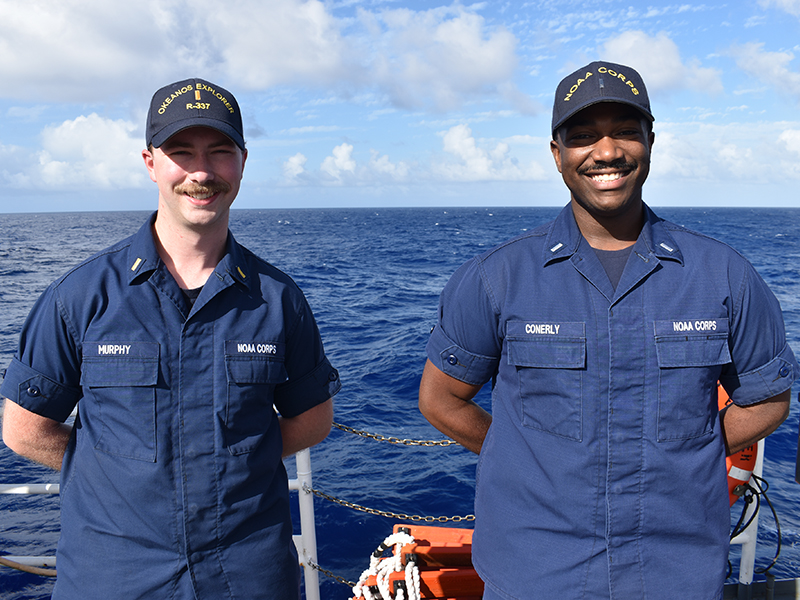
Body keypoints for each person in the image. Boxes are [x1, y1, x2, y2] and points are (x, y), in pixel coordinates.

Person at [419, 61, 798, 599]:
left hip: (676, 571)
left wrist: (687, 453)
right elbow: (441, 400)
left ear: (649, 142)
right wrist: (529, 458)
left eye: (624, 130)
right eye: (582, 136)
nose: (607, 151)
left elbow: (767, 399)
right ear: (557, 154)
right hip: (537, 572)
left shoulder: (725, 274)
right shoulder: (495, 278)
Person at [1, 78, 341, 599]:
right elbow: (24, 429)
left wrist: (231, 466)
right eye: (181, 152)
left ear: (243, 163)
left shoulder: (279, 300)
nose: (201, 173)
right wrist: (117, 475)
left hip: (247, 576)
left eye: (219, 153)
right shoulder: (80, 297)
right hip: (113, 576)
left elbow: (313, 417)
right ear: (150, 163)